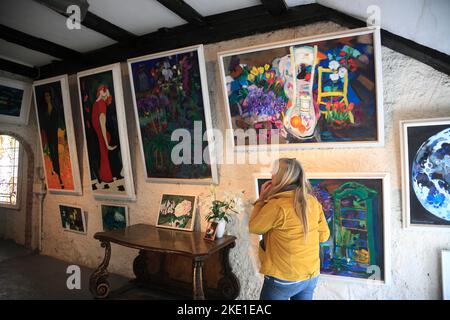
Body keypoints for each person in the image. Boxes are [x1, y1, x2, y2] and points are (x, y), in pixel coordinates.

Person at [249, 158, 330, 300]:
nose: (271, 174)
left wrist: (261, 200)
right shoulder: (311, 201)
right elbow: (324, 236)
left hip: (284, 278)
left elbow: (255, 227)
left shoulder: (277, 206)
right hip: (310, 276)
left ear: (281, 177)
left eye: (273, 172)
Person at [91, 85, 117, 187]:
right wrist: (107, 143)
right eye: (103, 91)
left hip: (99, 132)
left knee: (103, 154)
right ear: (99, 92)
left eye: (106, 91)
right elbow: (102, 123)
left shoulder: (97, 103)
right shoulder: (101, 104)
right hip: (101, 132)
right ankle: (107, 177)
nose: (105, 93)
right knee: (104, 153)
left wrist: (107, 95)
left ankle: (105, 176)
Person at [41, 89, 64, 189]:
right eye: (45, 96)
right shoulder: (44, 110)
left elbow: (59, 122)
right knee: (52, 153)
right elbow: (43, 124)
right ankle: (55, 169)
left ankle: (59, 176)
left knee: (56, 154)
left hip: (55, 134)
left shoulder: (55, 108)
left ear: (51, 96)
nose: (47, 98)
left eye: (48, 96)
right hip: (48, 135)